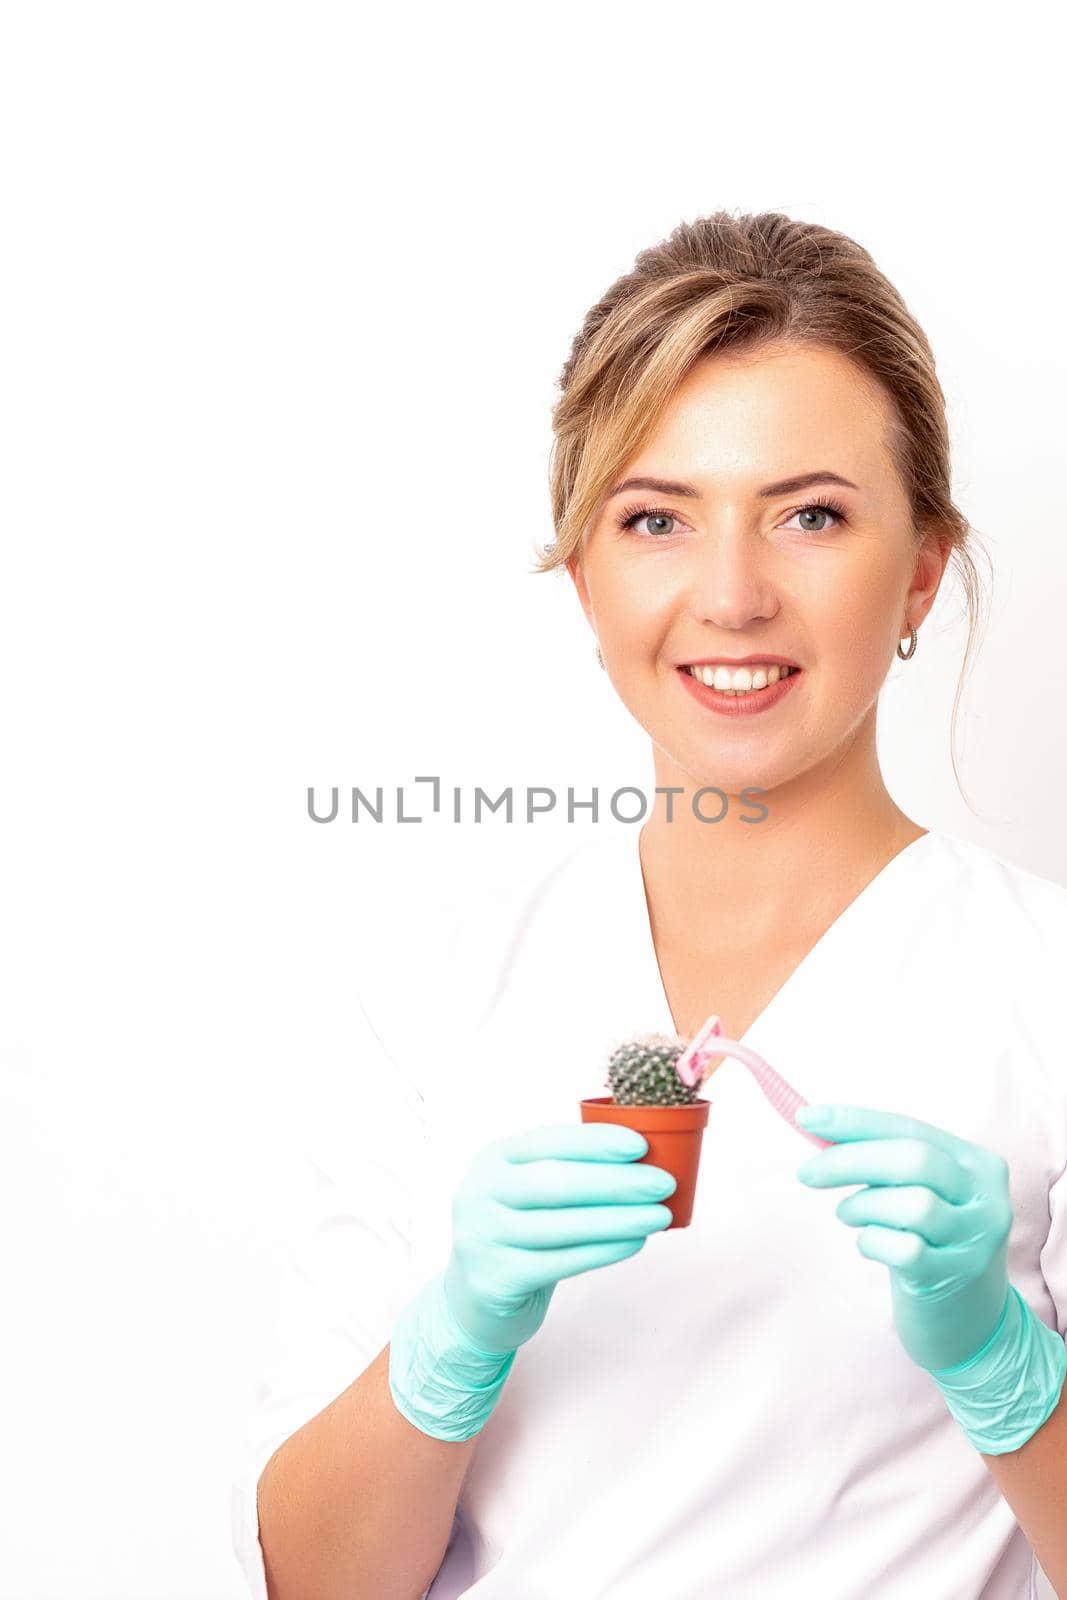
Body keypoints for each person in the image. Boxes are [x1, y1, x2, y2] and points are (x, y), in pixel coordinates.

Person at [230, 211, 1067, 1599]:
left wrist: (1002, 1365)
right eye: (656, 519)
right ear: (584, 577)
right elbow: (314, 1581)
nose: (732, 596)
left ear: (921, 566)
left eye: (811, 514)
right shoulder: (445, 980)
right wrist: (450, 1344)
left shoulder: (1043, 986)